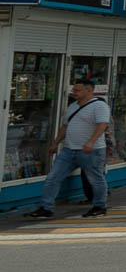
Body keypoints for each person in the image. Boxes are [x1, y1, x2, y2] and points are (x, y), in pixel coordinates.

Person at [27, 82, 111, 219]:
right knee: (53, 177)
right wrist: (55, 144)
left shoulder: (99, 106)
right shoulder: (72, 106)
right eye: (73, 90)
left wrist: (91, 142)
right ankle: (46, 208)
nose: (74, 92)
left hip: (91, 151)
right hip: (69, 150)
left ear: (89, 90)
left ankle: (100, 207)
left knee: (95, 179)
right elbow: (65, 127)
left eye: (77, 90)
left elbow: (102, 125)